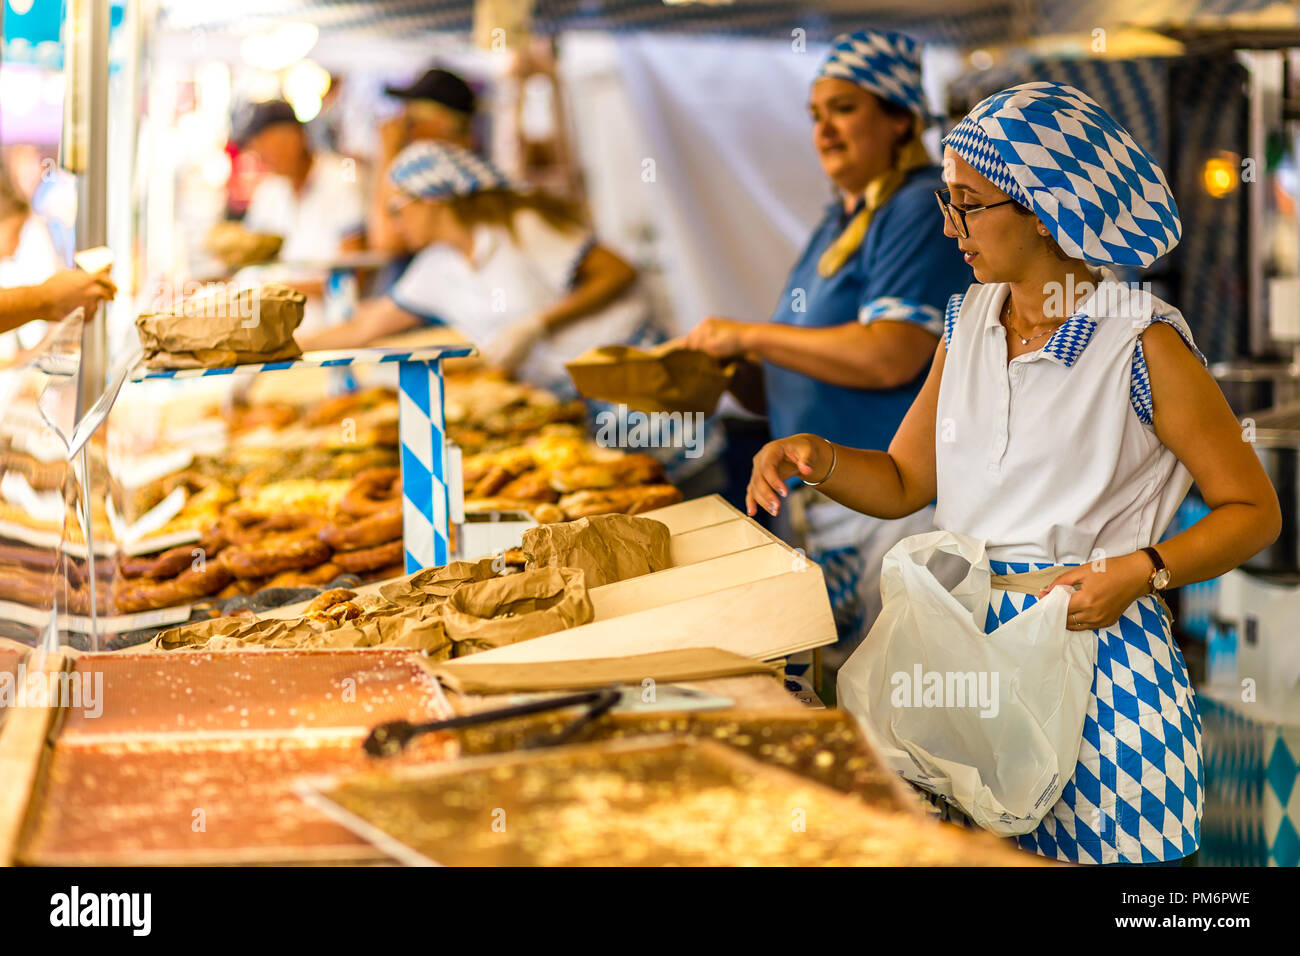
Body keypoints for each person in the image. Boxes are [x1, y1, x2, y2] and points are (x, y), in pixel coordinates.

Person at [747, 81, 1282, 865]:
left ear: (1043, 209)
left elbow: (1252, 510)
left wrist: (1144, 569)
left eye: (970, 205)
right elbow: (903, 481)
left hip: (1099, 667)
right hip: (965, 662)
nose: (950, 227)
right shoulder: (966, 322)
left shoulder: (1140, 344)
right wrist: (816, 459)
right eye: (946, 203)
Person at [683, 30, 971, 660]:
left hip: (893, 505)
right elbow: (803, 371)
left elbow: (890, 352)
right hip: (829, 501)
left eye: (843, 109)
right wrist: (728, 371)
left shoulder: (918, 210)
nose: (823, 132)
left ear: (900, 119)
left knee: (891, 699)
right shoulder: (840, 220)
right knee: (840, 681)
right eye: (815, 115)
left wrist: (750, 334)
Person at [297, 140, 651, 395]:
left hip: (630, 373)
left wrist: (536, 325)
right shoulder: (434, 268)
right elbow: (362, 329)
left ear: (432, 199)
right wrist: (276, 350)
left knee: (686, 487)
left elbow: (617, 272)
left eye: (396, 209)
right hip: (565, 394)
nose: (394, 224)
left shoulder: (518, 227)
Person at [237, 99, 366, 263]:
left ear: (294, 137)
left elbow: (352, 270)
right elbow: (248, 254)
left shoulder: (342, 179)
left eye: (265, 143)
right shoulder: (268, 190)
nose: (260, 154)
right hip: (273, 286)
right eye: (255, 146)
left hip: (316, 288)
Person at [367, 68, 478, 258]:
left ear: (442, 124)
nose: (405, 131)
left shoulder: (444, 171)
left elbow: (387, 241)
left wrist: (388, 153)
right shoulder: (458, 165)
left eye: (411, 121)